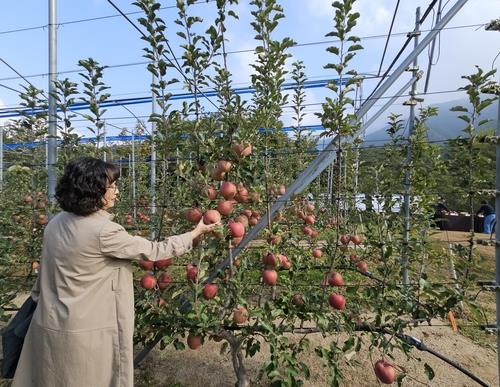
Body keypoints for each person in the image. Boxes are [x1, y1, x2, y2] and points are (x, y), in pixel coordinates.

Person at [12, 157, 219, 387]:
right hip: (86, 336)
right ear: (93, 190)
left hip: (49, 325)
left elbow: (44, 276)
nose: (117, 191)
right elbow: (154, 250)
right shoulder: (104, 232)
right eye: (112, 186)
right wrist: (194, 233)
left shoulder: (55, 223)